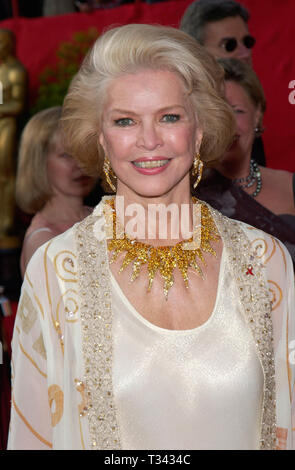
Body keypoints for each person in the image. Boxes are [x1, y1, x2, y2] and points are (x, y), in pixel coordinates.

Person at [8, 24, 294, 450]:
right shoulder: (55, 272)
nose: (148, 141)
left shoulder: (265, 261)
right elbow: (32, 437)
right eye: (125, 121)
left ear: (198, 131)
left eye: (169, 117)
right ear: (101, 138)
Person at [196, 58, 295, 263]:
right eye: (218, 112)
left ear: (257, 114)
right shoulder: (189, 192)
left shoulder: (290, 184)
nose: (228, 124)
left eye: (237, 111)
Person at [180, 0, 265, 166]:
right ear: (197, 53)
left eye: (247, 42)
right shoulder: (182, 107)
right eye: (229, 45)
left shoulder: (247, 97)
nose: (244, 53)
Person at [15, 106, 96, 278]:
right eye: (67, 155)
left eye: (85, 152)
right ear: (39, 162)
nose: (81, 164)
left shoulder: (102, 217)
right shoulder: (44, 241)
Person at [0, 29, 27, 248]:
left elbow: (17, 104)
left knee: (5, 174)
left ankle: (7, 222)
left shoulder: (14, 71)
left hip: (6, 127)